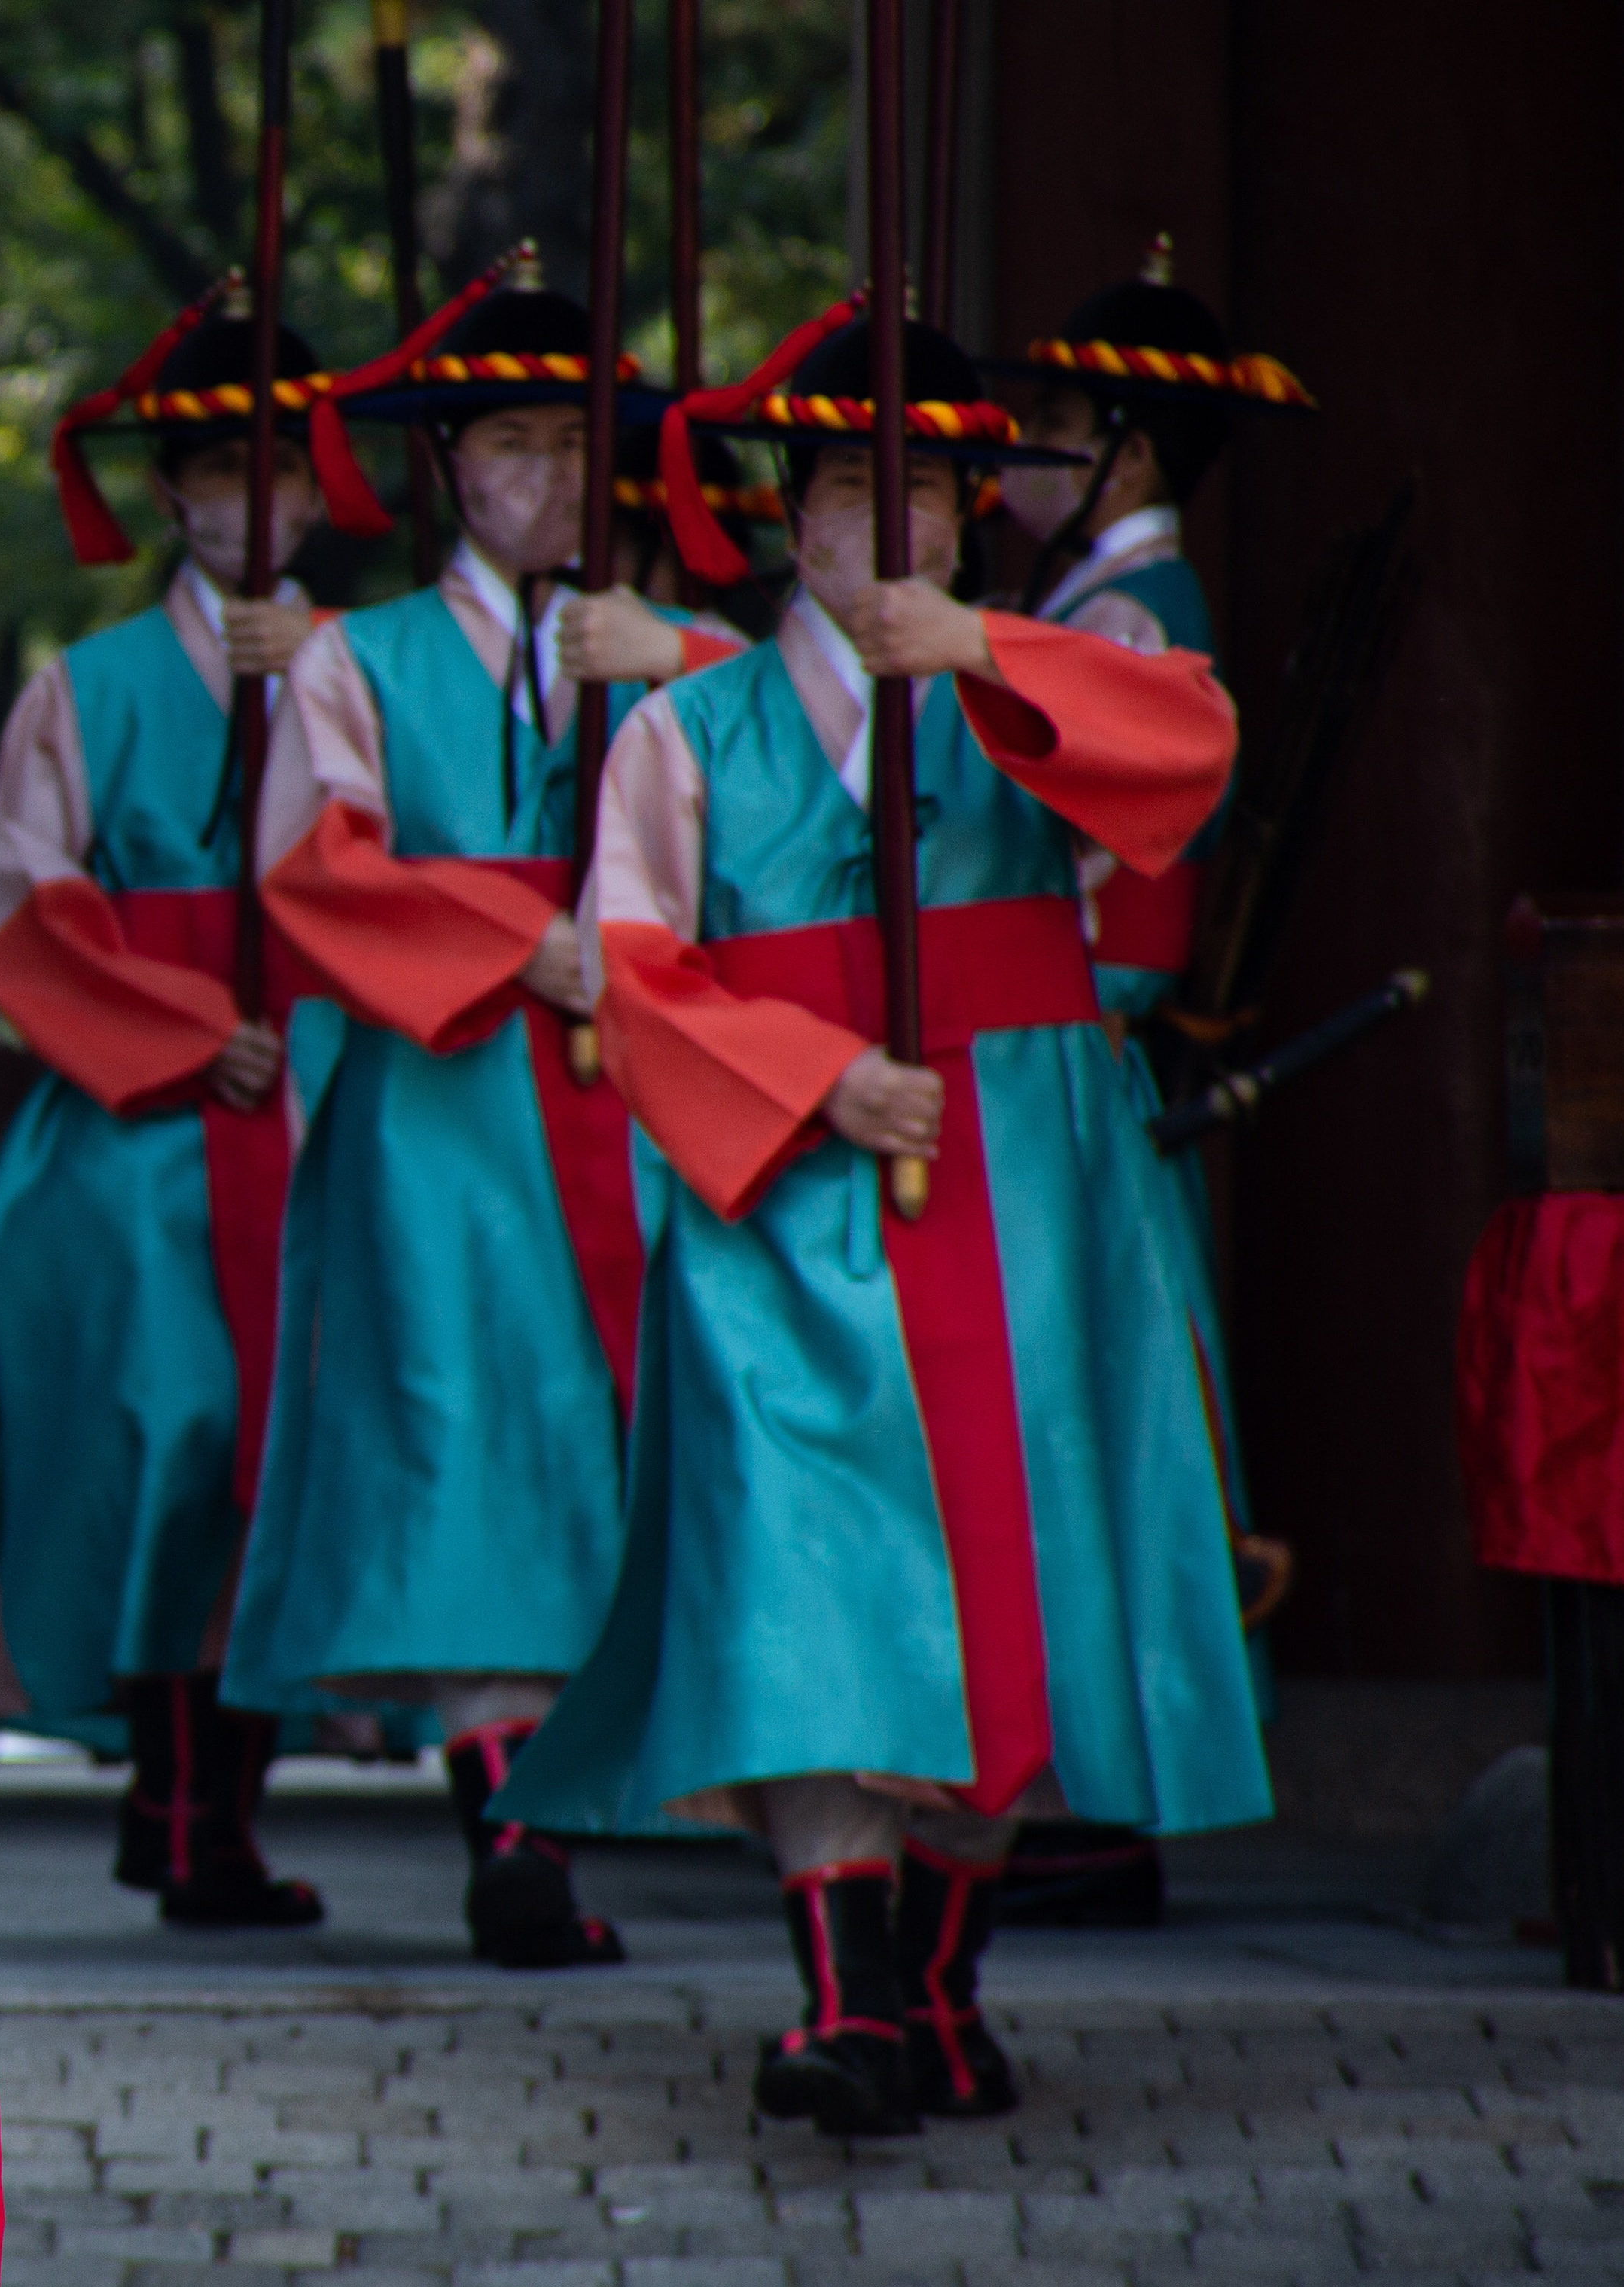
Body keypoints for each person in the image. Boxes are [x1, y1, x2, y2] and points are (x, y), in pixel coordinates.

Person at [493, 306, 1264, 2137]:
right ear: (789, 516)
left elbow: (1187, 761)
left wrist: (982, 644)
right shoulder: (689, 726)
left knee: (1022, 1580)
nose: (885, 533)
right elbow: (629, 963)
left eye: (926, 496)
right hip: (782, 1185)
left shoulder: (1046, 674)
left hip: (1020, 1178)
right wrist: (818, 1077)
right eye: (849, 492)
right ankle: (844, 2000)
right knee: (802, 1574)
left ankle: (930, 1979)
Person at [217, 249, 743, 1969]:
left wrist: (677, 648)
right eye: (512, 446)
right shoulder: (350, 657)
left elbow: (807, 771)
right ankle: (506, 1808)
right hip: (441, 1096)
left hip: (628, 1086)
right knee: (455, 1428)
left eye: (577, 448)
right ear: (449, 465)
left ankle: (570, 1790)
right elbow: (317, 868)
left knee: (609, 1423)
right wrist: (532, 938)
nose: (550, 482)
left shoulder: (655, 650)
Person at [0, 279, 337, 1926]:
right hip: (136, 1124)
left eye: (284, 472)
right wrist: (181, 1026)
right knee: (176, 1424)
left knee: (292, 1439)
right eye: (222, 474)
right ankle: (170, 1787)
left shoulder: (360, 668)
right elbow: (23, 906)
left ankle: (217, 1800)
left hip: (318, 1111)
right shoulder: (84, 683)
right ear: (173, 497)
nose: (254, 507)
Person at [980, 236, 1321, 1932]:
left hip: (1070, 1048)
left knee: (1087, 1430)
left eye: (1051, 419)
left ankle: (1096, 1810)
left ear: (1122, 445)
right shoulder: (1091, 604)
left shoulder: (1116, 617)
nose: (1023, 448)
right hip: (1072, 1051)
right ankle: (1080, 1798)